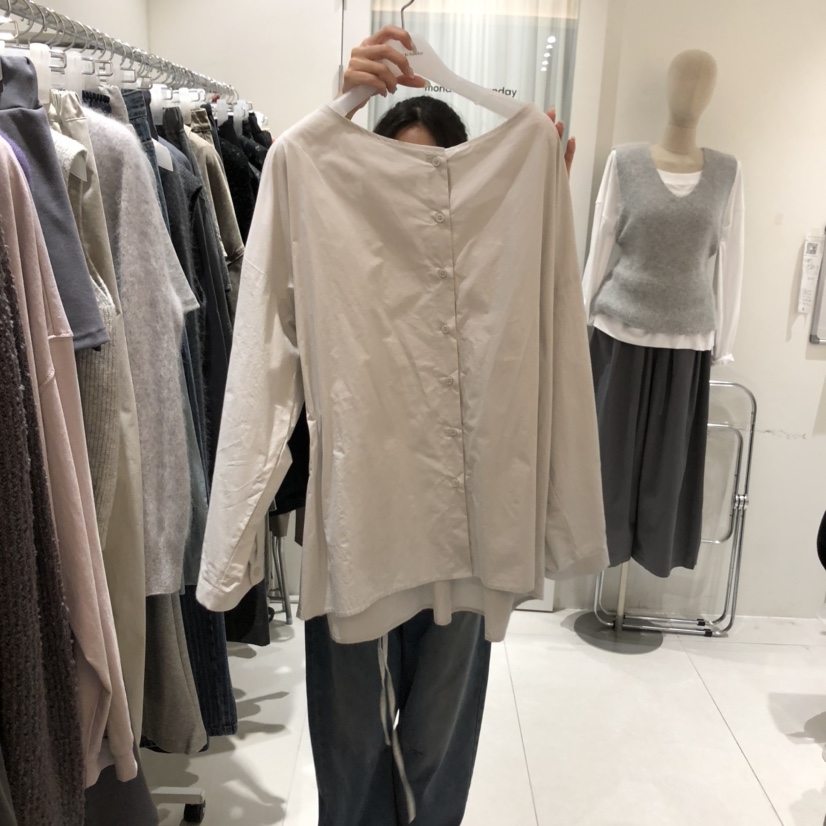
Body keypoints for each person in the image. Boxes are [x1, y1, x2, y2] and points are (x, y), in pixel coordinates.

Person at [302, 26, 576, 826]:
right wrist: (340, 109)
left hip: (469, 527)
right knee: (351, 745)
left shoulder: (491, 251)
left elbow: (547, 351)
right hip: (360, 522)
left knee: (440, 740)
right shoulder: (325, 214)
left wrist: (533, 203)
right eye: (394, 175)